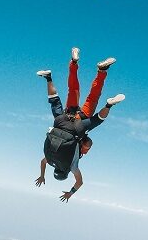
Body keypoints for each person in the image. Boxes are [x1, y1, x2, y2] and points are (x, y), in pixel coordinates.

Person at [33, 47, 126, 202]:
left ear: (65, 173)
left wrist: (70, 193)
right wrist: (42, 176)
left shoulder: (72, 168)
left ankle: (107, 97)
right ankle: (55, 73)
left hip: (79, 126)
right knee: (65, 94)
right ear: (56, 170)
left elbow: (80, 182)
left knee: (96, 112)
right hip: (61, 120)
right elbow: (42, 163)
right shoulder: (49, 160)